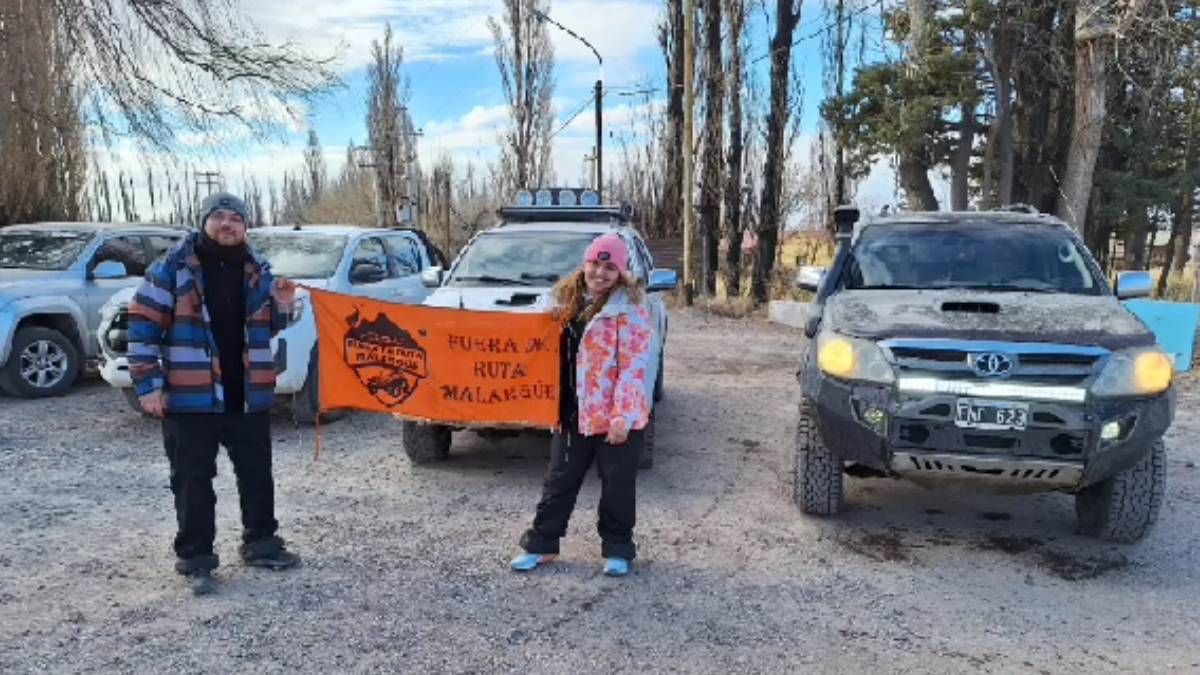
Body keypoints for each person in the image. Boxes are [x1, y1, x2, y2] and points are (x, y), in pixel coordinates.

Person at [128, 191, 301, 596]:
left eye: (235, 218)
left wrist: (285, 304)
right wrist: (149, 385)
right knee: (192, 479)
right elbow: (142, 328)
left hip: (248, 394)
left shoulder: (258, 269)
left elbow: (270, 326)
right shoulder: (171, 269)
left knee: (257, 474)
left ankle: (261, 543)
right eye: (219, 217)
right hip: (191, 397)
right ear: (204, 221)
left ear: (245, 226)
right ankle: (197, 559)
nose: (228, 224)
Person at [510, 233, 654, 577]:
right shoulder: (561, 303)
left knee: (617, 486)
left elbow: (634, 367)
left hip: (616, 418)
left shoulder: (630, 310)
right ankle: (541, 545)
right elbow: (532, 350)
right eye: (595, 264)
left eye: (610, 267)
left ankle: (618, 549)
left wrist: (622, 415)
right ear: (584, 264)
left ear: (620, 272)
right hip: (573, 414)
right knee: (559, 481)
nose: (600, 273)